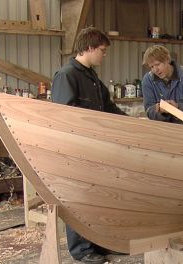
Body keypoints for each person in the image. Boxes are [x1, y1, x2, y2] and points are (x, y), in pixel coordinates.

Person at [52, 26, 124, 264]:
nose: (104, 54)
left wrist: (134, 124)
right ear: (90, 48)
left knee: (98, 198)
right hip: (76, 149)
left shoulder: (92, 76)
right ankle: (81, 250)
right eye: (102, 50)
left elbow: (109, 108)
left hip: (97, 149)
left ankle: (100, 243)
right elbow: (64, 116)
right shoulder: (67, 75)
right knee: (78, 199)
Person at [141, 45, 183, 123]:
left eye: (157, 64)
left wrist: (177, 107)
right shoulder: (148, 80)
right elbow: (148, 110)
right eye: (151, 67)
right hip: (163, 130)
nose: (155, 70)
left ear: (167, 59)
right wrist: (159, 110)